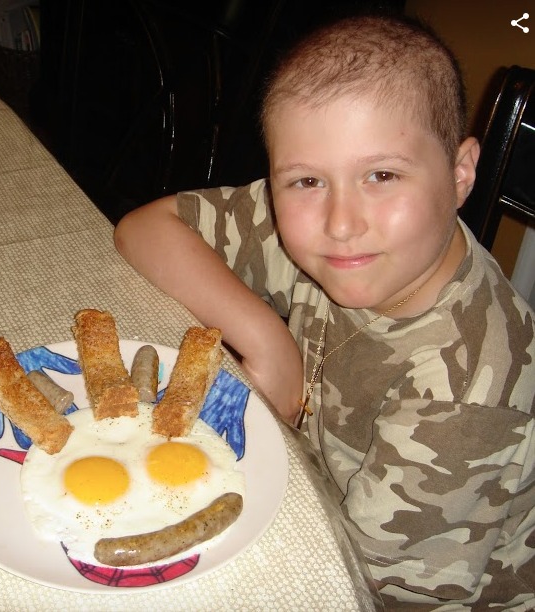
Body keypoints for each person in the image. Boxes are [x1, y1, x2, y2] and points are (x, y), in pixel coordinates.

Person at [114, 13, 535, 610]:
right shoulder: (335, 237)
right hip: (318, 487)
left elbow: (363, 589)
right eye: (307, 180)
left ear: (461, 172)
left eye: (382, 175)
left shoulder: (464, 392)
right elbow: (145, 230)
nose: (341, 224)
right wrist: (267, 338)